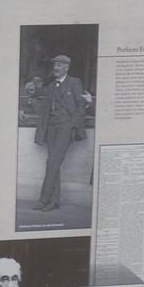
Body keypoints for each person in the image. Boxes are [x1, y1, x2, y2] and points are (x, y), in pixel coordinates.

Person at [30, 54, 91, 213]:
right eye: (54, 65)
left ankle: (44, 200)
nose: (55, 68)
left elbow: (80, 105)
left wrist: (72, 124)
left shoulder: (74, 82)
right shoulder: (52, 86)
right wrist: (32, 87)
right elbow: (39, 93)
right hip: (51, 127)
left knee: (52, 163)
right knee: (53, 163)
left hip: (65, 127)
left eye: (59, 65)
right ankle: (54, 202)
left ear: (66, 67)